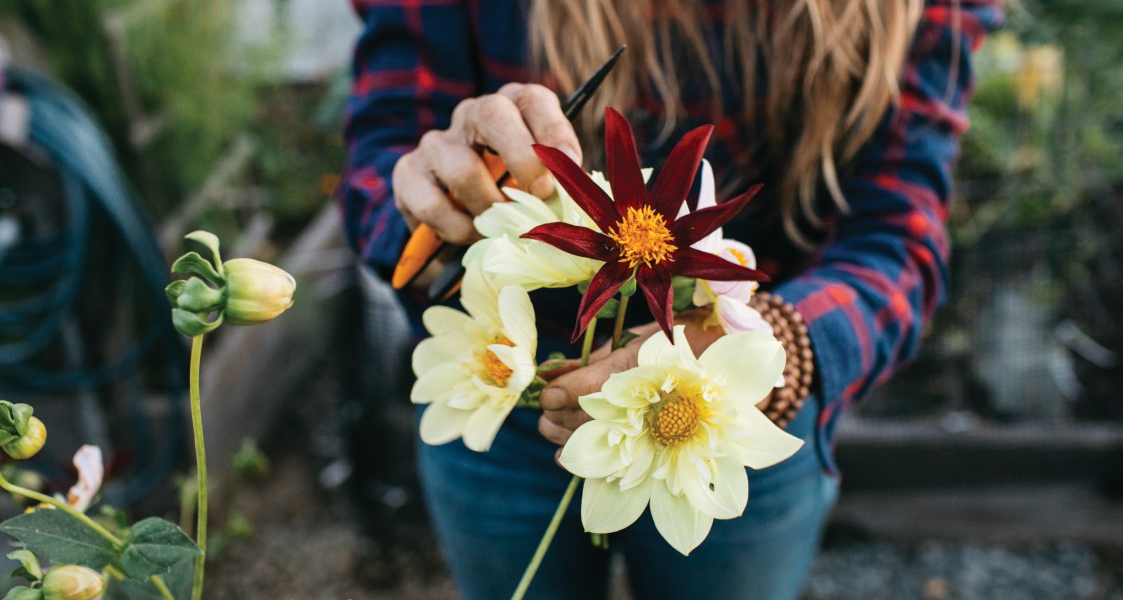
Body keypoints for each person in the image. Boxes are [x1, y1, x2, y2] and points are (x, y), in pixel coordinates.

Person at [339, 1, 1003, 598]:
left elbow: (899, 241)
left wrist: (781, 347)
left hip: (739, 403)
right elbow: (382, 159)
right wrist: (438, 193)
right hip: (504, 387)